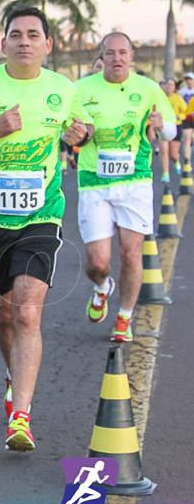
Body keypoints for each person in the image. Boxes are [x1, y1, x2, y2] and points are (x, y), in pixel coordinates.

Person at [0, 7, 93, 452]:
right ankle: (12, 376)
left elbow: (81, 131)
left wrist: (81, 134)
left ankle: (21, 416)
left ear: (48, 45)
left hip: (41, 213)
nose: (24, 41)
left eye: (33, 35)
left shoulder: (62, 89)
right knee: (3, 312)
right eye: (15, 34)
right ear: (2, 44)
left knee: (27, 313)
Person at [75, 33, 175, 342]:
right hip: (94, 182)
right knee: (97, 262)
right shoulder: (81, 89)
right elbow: (71, 131)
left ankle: (124, 316)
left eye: (122, 52)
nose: (117, 58)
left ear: (131, 56)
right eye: (110, 53)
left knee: (132, 255)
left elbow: (170, 132)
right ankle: (103, 287)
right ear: (101, 57)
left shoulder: (148, 89)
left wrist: (161, 125)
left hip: (135, 182)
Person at [160, 78, 185, 181]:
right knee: (163, 150)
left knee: (172, 154)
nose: (169, 87)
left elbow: (185, 112)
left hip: (175, 125)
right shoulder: (160, 97)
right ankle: (165, 173)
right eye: (167, 85)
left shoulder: (178, 98)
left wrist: (179, 116)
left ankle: (176, 160)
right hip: (162, 126)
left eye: (171, 85)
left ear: (175, 87)